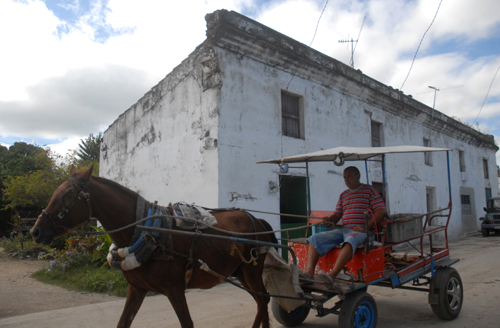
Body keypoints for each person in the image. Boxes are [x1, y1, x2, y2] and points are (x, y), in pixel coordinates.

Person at [303, 166, 387, 288]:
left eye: (350, 176)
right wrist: (330, 220)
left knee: (351, 239)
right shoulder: (343, 195)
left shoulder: (370, 190)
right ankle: (309, 273)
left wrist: (365, 227)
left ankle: (331, 276)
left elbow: (381, 210)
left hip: (361, 232)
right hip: (344, 230)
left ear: (358, 176)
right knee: (314, 238)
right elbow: (337, 215)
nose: (346, 180)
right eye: (344, 177)